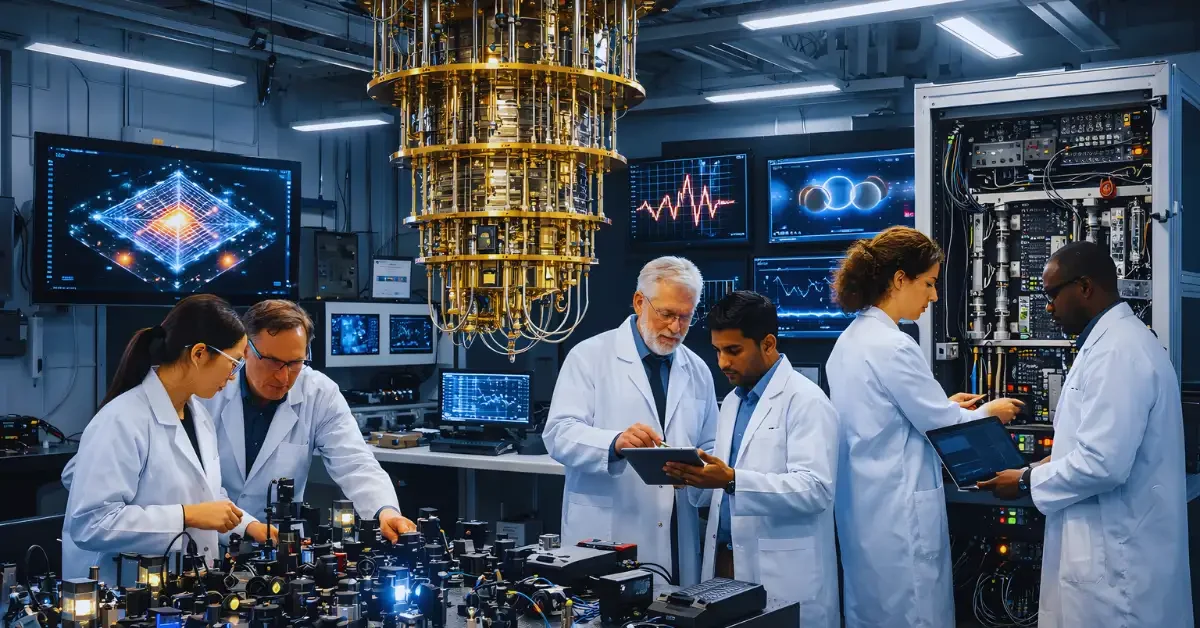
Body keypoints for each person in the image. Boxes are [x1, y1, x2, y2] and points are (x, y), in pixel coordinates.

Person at [977, 241, 1192, 627]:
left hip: (1119, 569)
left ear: (1085, 287)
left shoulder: (1119, 353)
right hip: (1109, 551)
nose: (1047, 307)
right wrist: (1050, 460)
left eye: (1052, 294)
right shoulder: (1109, 345)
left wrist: (1026, 480)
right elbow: (1099, 443)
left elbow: (1104, 464)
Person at [825, 226, 1025, 627]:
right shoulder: (895, 345)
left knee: (874, 612)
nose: (934, 296)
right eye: (929, 284)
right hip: (901, 517)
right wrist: (993, 413)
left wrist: (941, 405)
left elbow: (890, 415)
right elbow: (946, 426)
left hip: (864, 512)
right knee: (915, 613)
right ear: (900, 279)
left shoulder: (849, 341)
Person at [62, 295, 268, 584]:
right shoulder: (122, 420)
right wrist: (186, 516)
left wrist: (251, 527)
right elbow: (90, 525)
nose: (234, 377)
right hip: (122, 591)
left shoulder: (198, 416)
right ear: (199, 354)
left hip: (184, 585)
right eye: (233, 363)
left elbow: (207, 499)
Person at [665, 291, 839, 628]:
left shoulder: (806, 401)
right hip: (726, 563)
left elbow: (816, 489)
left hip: (783, 572)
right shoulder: (732, 401)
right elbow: (720, 492)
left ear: (768, 344)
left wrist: (731, 480)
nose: (722, 363)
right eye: (717, 351)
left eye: (733, 351)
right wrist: (693, 477)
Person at [543, 256, 718, 586]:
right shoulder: (589, 356)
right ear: (640, 301)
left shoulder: (698, 371)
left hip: (677, 532)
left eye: (686, 317)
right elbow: (558, 434)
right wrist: (614, 443)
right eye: (667, 314)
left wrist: (701, 473)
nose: (676, 328)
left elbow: (710, 445)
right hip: (608, 529)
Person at [199, 300, 416, 541]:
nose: (283, 376)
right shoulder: (210, 390)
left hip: (281, 542)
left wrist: (384, 511)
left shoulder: (319, 393)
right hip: (208, 539)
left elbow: (355, 462)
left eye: (294, 363)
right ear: (246, 348)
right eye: (272, 361)